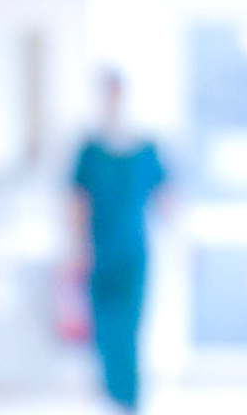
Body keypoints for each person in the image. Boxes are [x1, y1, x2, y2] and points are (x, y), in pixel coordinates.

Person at [70, 67, 168, 412]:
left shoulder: (145, 147)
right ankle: (111, 397)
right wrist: (77, 250)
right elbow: (77, 203)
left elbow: (166, 198)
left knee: (129, 330)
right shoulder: (89, 150)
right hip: (99, 253)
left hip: (133, 252)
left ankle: (129, 399)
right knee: (104, 331)